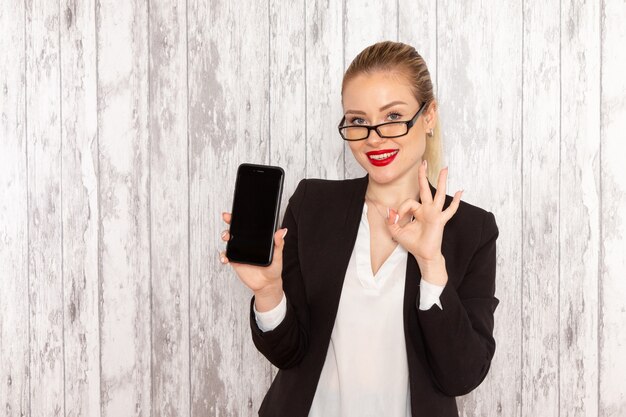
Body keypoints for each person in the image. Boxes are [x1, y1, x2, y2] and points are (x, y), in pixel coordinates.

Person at [218, 41, 499, 417]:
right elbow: (290, 353)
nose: (374, 137)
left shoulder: (472, 229)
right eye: (358, 121)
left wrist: (432, 264)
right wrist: (269, 291)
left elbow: (461, 376)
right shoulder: (312, 204)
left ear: (428, 115)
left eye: (393, 115)